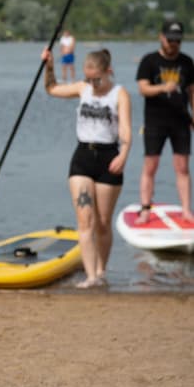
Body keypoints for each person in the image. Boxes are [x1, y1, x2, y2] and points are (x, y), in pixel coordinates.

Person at [42, 47, 132, 288]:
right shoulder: (83, 88)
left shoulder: (119, 93)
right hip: (82, 157)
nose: (91, 82)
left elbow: (125, 128)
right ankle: (91, 276)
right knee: (85, 220)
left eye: (96, 78)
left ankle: (102, 271)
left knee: (103, 222)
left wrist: (124, 153)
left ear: (108, 71)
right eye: (88, 77)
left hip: (109, 158)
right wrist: (49, 66)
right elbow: (51, 89)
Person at [134, 20, 194, 224]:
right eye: (170, 40)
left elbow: (192, 92)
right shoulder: (149, 61)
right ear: (162, 37)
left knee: (183, 167)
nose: (173, 44)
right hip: (155, 121)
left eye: (177, 41)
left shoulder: (187, 62)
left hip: (181, 122)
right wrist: (162, 88)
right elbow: (142, 88)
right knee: (151, 165)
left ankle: (186, 210)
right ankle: (145, 209)